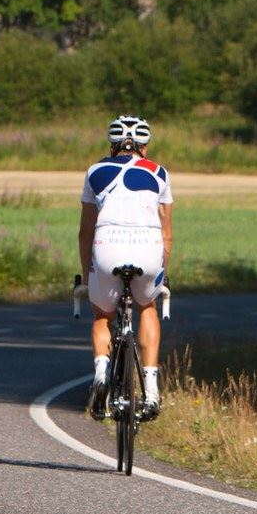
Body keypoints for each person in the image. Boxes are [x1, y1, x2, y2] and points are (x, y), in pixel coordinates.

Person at [78, 114, 173, 420]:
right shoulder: (159, 172)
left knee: (102, 314)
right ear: (144, 146)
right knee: (147, 307)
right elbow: (167, 234)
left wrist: (88, 276)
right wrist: (162, 275)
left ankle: (102, 374)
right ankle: (152, 390)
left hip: (107, 245)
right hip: (149, 247)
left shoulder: (94, 171)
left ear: (112, 144)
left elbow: (85, 233)